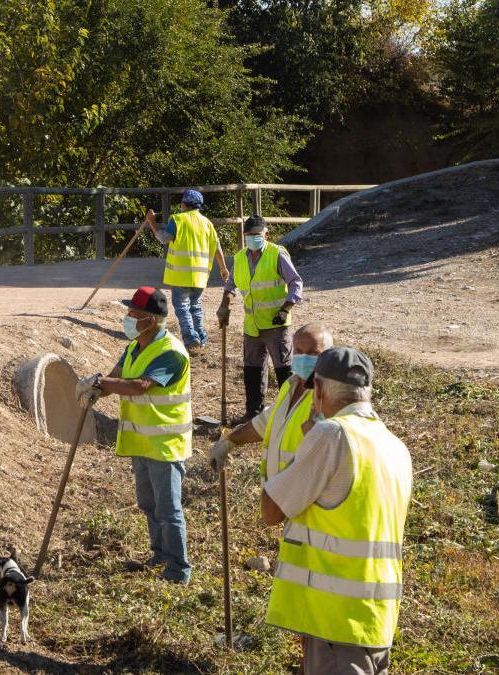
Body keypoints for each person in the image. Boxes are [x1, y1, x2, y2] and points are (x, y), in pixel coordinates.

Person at [261, 348, 412, 674]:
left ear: (318, 390)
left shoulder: (332, 435)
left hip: (336, 621)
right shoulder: (394, 446)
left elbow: (272, 510)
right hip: (375, 617)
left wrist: (302, 449)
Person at [76, 287, 194, 583]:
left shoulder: (172, 354)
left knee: (169, 508)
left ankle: (179, 569)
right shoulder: (134, 347)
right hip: (142, 440)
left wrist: (104, 382)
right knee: (149, 503)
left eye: (133, 314)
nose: (127, 318)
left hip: (166, 444)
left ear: (150, 320)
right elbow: (117, 375)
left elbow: (140, 385)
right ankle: (160, 554)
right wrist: (96, 389)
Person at [208, 324, 333, 478]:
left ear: (329, 357)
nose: (304, 358)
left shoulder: (328, 399)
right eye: (299, 352)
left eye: (313, 353)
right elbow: (267, 421)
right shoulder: (290, 385)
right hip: (276, 491)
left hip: (301, 493)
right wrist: (230, 441)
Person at [217, 215, 303, 423]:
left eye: (257, 234)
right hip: (252, 325)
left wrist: (285, 308)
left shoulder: (277, 254)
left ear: (266, 234)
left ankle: (290, 415)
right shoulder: (239, 258)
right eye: (249, 235)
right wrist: (224, 305)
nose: (253, 238)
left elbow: (296, 282)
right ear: (244, 236)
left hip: (276, 324)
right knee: (252, 369)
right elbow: (231, 285)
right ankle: (253, 413)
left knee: (283, 369)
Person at [143, 190, 229, 350]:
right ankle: (201, 337)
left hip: (181, 275)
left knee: (182, 307)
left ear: (183, 204)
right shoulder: (207, 223)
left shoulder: (178, 220)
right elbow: (217, 247)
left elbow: (163, 238)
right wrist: (223, 268)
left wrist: (151, 222)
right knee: (195, 306)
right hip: (200, 276)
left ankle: (191, 339)